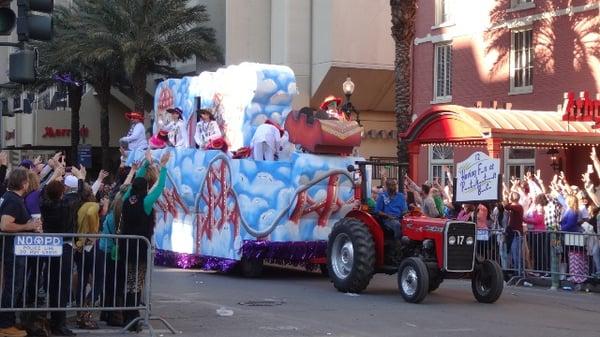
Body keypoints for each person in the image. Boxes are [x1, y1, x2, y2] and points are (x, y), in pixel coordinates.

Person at [119, 150, 170, 332]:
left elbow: (136, 182)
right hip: (140, 248)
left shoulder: (127, 200)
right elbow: (160, 188)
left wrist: (145, 165)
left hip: (127, 247)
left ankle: (128, 315)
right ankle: (133, 317)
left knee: (129, 281)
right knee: (137, 283)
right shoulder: (145, 202)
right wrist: (163, 167)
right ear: (145, 189)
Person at [0, 168, 43, 337]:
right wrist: (28, 226)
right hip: (13, 251)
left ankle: (8, 321)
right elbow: (5, 225)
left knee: (14, 285)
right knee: (13, 286)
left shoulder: (12, 198)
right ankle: (5, 324)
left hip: (16, 249)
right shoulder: (13, 200)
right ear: (24, 183)